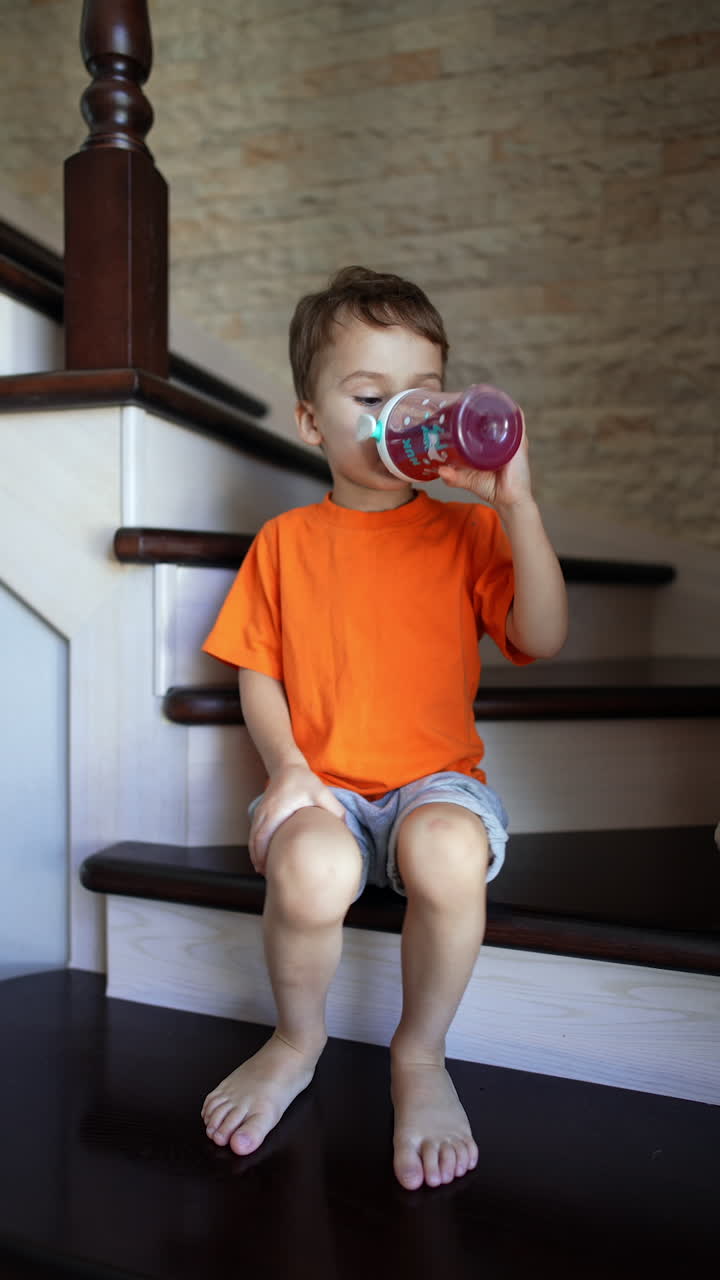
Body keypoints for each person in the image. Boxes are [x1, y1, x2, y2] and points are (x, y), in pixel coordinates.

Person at [200, 266, 568, 1190]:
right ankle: (296, 1038)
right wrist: (287, 770)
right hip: (323, 783)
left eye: (421, 400)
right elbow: (257, 668)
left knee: (447, 850)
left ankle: (420, 1053)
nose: (400, 418)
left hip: (430, 781)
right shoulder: (285, 543)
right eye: (371, 397)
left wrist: (515, 504)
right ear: (312, 420)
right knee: (313, 866)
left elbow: (544, 636)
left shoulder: (465, 534)